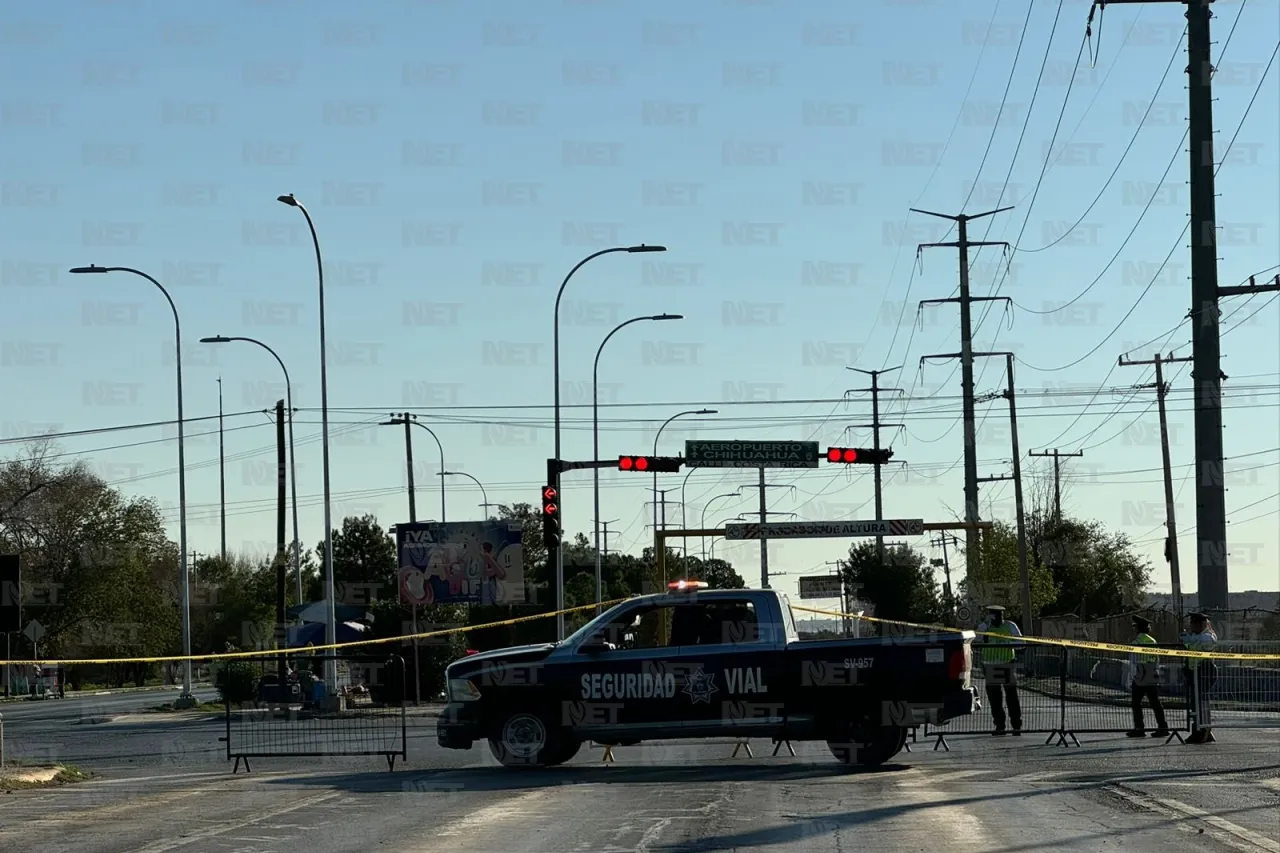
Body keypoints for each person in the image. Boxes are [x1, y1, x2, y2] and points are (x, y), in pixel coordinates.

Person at [976, 605, 1023, 735]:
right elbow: (977, 639)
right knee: (995, 698)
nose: (997, 618)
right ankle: (1000, 726)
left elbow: (1022, 643)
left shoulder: (1010, 626)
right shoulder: (985, 627)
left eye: (999, 615)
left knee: (1011, 696)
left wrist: (1008, 644)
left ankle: (1016, 725)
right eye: (993, 615)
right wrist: (985, 625)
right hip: (991, 665)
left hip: (1006, 664)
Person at [1126, 615, 1169, 738]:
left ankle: (1139, 728)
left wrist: (1133, 676)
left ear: (1137, 629)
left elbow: (1133, 661)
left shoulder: (1136, 642)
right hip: (1152, 672)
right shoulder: (1152, 641)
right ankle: (1163, 727)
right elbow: (1157, 659)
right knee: (1155, 702)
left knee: (1136, 703)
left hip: (1140, 673)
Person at [1180, 612, 1218, 744]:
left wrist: (1188, 639)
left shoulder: (1208, 636)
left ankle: (1201, 731)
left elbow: (1202, 643)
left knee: (1200, 701)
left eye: (1193, 623)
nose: (1191, 626)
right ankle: (1203, 730)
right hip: (1194, 672)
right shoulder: (1194, 636)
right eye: (1191, 623)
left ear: (1201, 624)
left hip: (1205, 671)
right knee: (1196, 702)